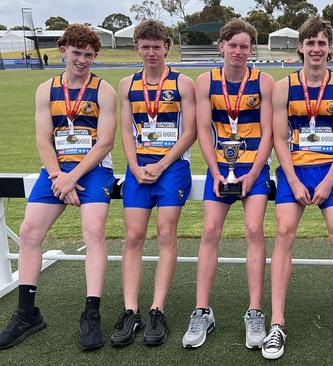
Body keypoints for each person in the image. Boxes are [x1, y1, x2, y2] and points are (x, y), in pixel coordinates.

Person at [0, 24, 116, 351]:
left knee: (93, 231)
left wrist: (72, 177)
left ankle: (91, 314)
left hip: (92, 170)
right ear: (64, 50)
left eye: (89, 55)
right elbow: (42, 138)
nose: (82, 60)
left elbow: (105, 142)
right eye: (77, 53)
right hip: (56, 170)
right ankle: (26, 313)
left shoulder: (103, 90)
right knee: (29, 231)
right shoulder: (46, 89)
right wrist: (57, 176)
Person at [261, 16, 333, 361]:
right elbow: (277, 138)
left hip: (330, 171)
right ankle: (277, 323)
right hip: (294, 171)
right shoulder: (284, 86)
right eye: (310, 43)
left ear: (329, 47)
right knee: (284, 233)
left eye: (322, 43)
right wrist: (291, 178)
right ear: (300, 47)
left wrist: (329, 179)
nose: (316, 49)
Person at [181, 18, 274, 350]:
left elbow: (269, 132)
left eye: (244, 46)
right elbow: (203, 130)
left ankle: (254, 311)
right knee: (210, 232)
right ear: (221, 46)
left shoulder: (264, 82)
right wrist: (216, 171)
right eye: (232, 45)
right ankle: (202, 310)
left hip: (254, 169)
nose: (238, 51)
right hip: (220, 169)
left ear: (252, 49)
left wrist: (253, 172)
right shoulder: (205, 81)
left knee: (253, 230)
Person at [110, 19, 196, 347]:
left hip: (171, 168)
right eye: (145, 47)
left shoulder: (182, 83)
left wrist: (161, 164)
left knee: (165, 233)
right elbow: (126, 131)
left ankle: (157, 309)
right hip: (138, 168)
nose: (150, 53)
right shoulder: (126, 85)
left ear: (166, 48)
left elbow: (190, 132)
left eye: (156, 47)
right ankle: (130, 310)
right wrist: (134, 165)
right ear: (137, 48)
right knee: (132, 236)